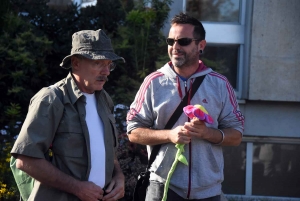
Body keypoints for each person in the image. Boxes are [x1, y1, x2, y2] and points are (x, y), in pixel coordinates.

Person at [126, 12, 244, 201]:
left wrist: (208, 133)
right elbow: (133, 132)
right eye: (170, 41)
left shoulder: (220, 85)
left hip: (208, 191)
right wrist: (169, 135)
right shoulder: (153, 83)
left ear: (201, 45)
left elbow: (236, 136)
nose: (175, 47)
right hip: (163, 187)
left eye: (183, 41)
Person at [11, 29, 125, 201]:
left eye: (109, 64)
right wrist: (77, 188)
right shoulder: (51, 99)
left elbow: (107, 150)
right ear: (76, 63)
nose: (106, 71)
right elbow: (26, 159)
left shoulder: (104, 99)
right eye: (98, 63)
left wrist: (118, 176)